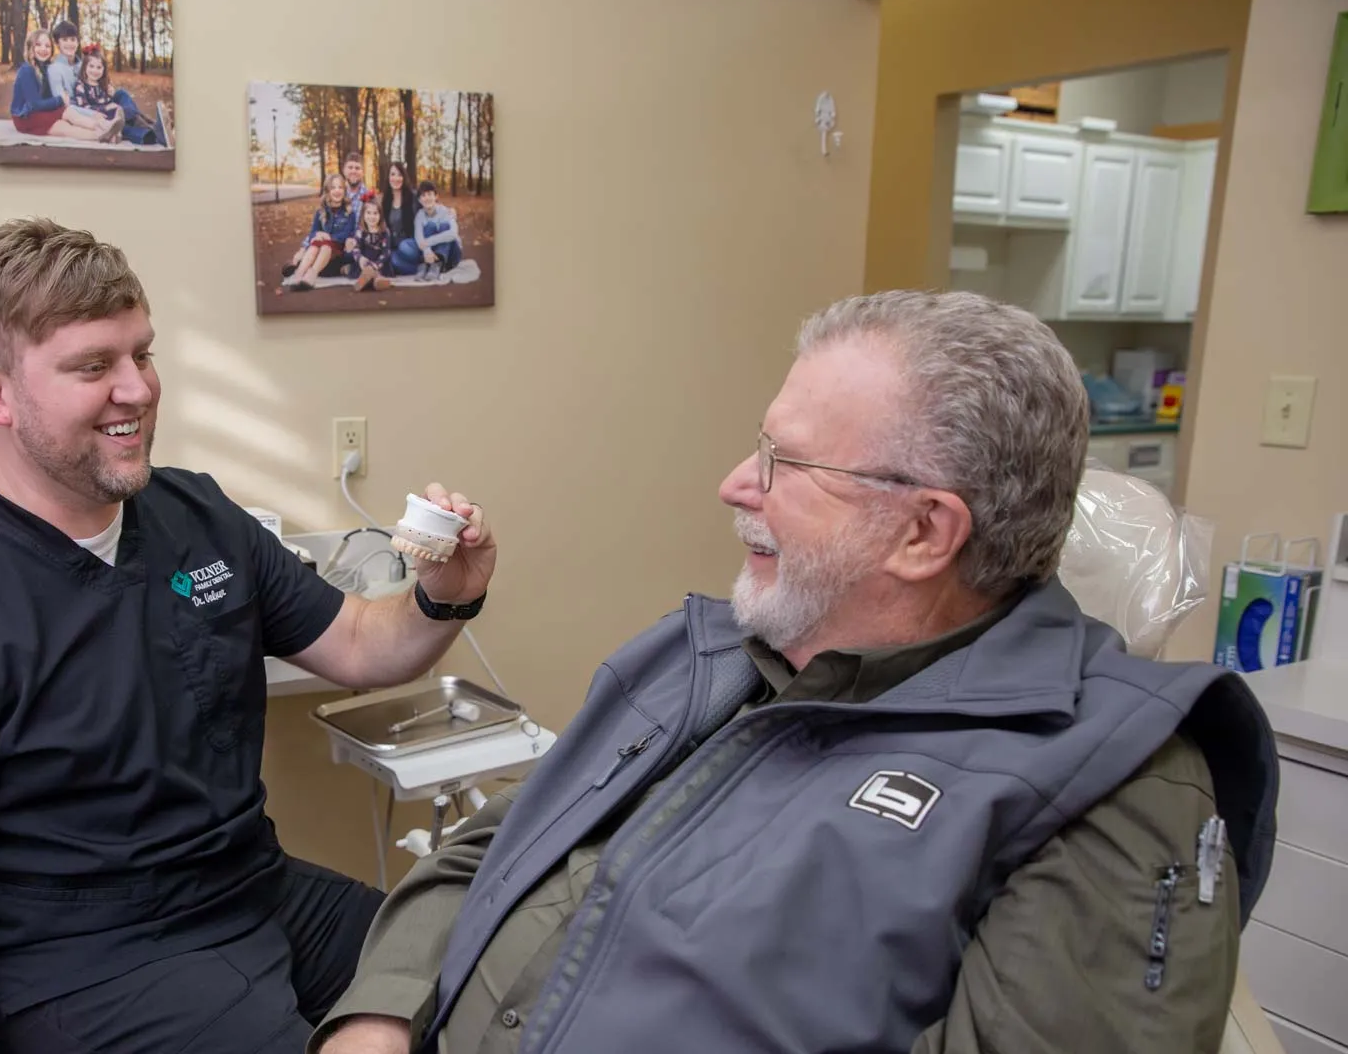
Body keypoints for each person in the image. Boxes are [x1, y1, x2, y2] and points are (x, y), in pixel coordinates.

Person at [313, 290, 1277, 1054]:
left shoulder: (1110, 788)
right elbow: (493, 850)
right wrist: (381, 1014)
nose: (735, 483)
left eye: (784, 462)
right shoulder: (710, 652)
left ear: (923, 531)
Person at [0, 217, 499, 1054]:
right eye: (94, 366)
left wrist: (441, 599)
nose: (136, 389)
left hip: (255, 894)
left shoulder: (192, 513)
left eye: (143, 354)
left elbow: (357, 644)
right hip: (95, 969)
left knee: (501, 955)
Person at [47, 22, 170, 147]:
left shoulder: (84, 64)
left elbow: (98, 78)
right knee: (113, 122)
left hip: (99, 101)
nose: (69, 43)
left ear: (78, 41)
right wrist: (93, 114)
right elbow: (64, 105)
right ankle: (151, 133)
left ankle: (126, 116)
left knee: (121, 94)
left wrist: (108, 88)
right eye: (64, 40)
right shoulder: (54, 69)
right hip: (81, 110)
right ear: (57, 43)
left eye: (73, 39)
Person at [7, 29, 114, 141]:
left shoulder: (47, 68)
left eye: (47, 46)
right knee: (63, 127)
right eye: (38, 45)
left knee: (69, 113)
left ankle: (105, 128)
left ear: (52, 50)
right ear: (30, 47)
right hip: (26, 117)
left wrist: (106, 86)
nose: (43, 49)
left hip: (40, 111)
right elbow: (34, 104)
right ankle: (100, 136)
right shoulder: (26, 70)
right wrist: (60, 99)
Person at [281, 173, 358, 291]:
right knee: (314, 246)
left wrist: (329, 237)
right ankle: (298, 275)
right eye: (333, 188)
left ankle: (311, 275)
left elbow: (347, 233)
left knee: (326, 246)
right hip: (321, 249)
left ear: (344, 190)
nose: (337, 191)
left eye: (340, 187)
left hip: (338, 252)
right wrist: (317, 235)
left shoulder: (349, 213)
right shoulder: (321, 211)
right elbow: (313, 232)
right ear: (327, 191)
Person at [391, 182, 461, 281]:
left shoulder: (446, 212)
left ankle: (436, 264)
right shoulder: (420, 215)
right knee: (398, 254)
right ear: (419, 200)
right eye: (423, 195)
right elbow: (419, 237)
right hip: (428, 254)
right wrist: (427, 251)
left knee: (439, 226)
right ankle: (426, 266)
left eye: (429, 194)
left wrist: (428, 241)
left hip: (451, 254)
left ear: (436, 196)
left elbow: (453, 234)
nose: (427, 198)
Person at [353, 197, 395, 292]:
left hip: (380, 263)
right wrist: (360, 259)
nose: (372, 217)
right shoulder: (360, 231)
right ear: (363, 215)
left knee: (374, 271)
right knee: (367, 270)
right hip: (364, 263)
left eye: (375, 213)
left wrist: (376, 264)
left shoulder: (385, 232)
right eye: (368, 213)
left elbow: (386, 252)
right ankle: (374, 280)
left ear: (381, 215)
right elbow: (356, 249)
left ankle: (375, 281)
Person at [378, 162, 418, 246]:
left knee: (405, 248)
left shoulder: (414, 196)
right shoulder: (384, 200)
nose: (396, 178)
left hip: (411, 242)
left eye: (399, 175)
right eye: (392, 174)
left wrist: (448, 211)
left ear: (404, 177)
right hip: (392, 245)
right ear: (388, 177)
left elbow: (431, 205)